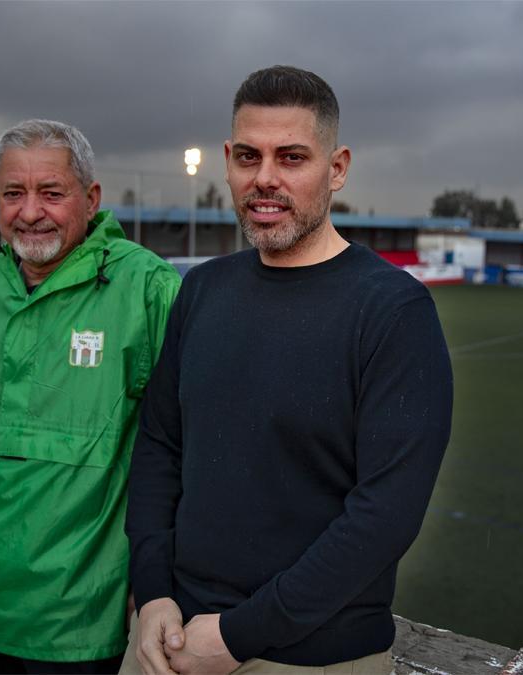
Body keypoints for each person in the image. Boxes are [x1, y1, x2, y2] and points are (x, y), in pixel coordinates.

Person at [122, 65, 454, 675]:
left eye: (292, 157)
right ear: (226, 160)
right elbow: (159, 448)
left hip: (311, 657)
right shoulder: (202, 290)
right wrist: (152, 593)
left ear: (337, 168)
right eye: (248, 156)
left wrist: (238, 635)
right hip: (168, 639)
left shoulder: (393, 311)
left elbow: (385, 514)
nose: (265, 179)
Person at [0, 119, 181, 674]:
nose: (29, 213)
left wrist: (156, 580)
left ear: (91, 198)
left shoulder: (147, 286)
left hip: (76, 618)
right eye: (12, 194)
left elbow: (181, 448)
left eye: (51, 193)